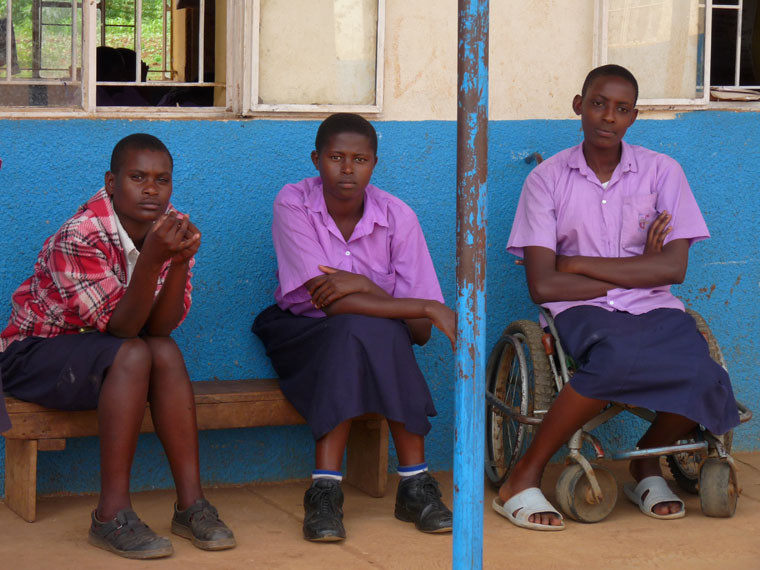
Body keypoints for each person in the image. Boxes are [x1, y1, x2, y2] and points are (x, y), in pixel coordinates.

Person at [495, 65, 740, 531]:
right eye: (598, 104)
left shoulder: (661, 172)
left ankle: (645, 465)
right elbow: (544, 286)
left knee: (704, 375)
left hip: (653, 305)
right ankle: (523, 476)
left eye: (621, 109)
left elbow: (672, 269)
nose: (608, 117)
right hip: (579, 311)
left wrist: (579, 263)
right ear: (578, 106)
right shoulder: (546, 181)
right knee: (615, 356)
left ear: (634, 117)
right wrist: (635, 273)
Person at [0, 134, 235, 558]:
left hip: (109, 355)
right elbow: (123, 328)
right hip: (34, 355)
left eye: (162, 180)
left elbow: (160, 328)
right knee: (135, 351)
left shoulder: (169, 227)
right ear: (111, 183)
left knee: (162, 351)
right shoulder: (81, 235)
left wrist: (178, 261)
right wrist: (152, 259)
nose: (151, 189)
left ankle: (191, 504)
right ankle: (111, 514)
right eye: (137, 177)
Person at [253, 113, 456, 542]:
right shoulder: (293, 203)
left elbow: (418, 332)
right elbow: (329, 304)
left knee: (373, 329)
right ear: (316, 159)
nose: (348, 169)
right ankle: (403, 483)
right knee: (354, 327)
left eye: (360, 159)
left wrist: (368, 286)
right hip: (301, 333)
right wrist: (418, 304)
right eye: (336, 157)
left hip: (375, 341)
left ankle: (333, 487)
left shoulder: (397, 217)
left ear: (375, 164)